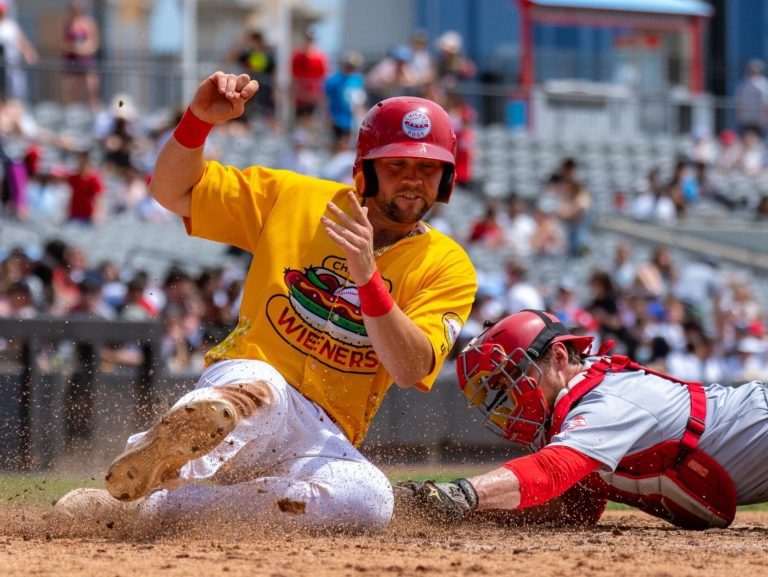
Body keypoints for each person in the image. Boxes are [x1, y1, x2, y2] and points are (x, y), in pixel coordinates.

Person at [53, 71, 477, 533]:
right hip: (253, 378)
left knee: (369, 500)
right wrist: (197, 121)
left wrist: (367, 276)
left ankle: (151, 509)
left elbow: (411, 367)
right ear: (366, 168)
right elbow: (171, 192)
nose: (413, 180)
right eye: (397, 165)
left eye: (427, 167)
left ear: (447, 177)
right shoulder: (295, 198)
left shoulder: (449, 266)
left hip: (322, 433)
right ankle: (176, 446)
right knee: (253, 398)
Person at [398, 309, 768, 529]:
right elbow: (569, 508)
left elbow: (551, 469)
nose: (507, 402)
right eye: (498, 391)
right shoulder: (571, 412)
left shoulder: (604, 399)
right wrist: (434, 513)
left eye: (511, 380)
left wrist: (460, 495)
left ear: (559, 358)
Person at [61, 0, 101, 111]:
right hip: (71, 60)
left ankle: (94, 111)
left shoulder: (89, 23)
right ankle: (71, 113)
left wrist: (83, 49)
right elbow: (62, 42)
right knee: (72, 90)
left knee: (90, 88)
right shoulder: (67, 24)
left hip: (86, 60)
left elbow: (94, 43)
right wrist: (73, 48)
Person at [0, 0, 38, 101]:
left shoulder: (11, 26)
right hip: (1, 69)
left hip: (12, 67)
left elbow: (22, 43)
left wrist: (29, 53)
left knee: (16, 94)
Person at [734, 59, 768, 137]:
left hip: (758, 118)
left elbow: (765, 104)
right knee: (746, 138)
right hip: (746, 118)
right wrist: (740, 117)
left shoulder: (763, 84)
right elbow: (739, 103)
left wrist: (764, 119)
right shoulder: (743, 84)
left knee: (758, 139)